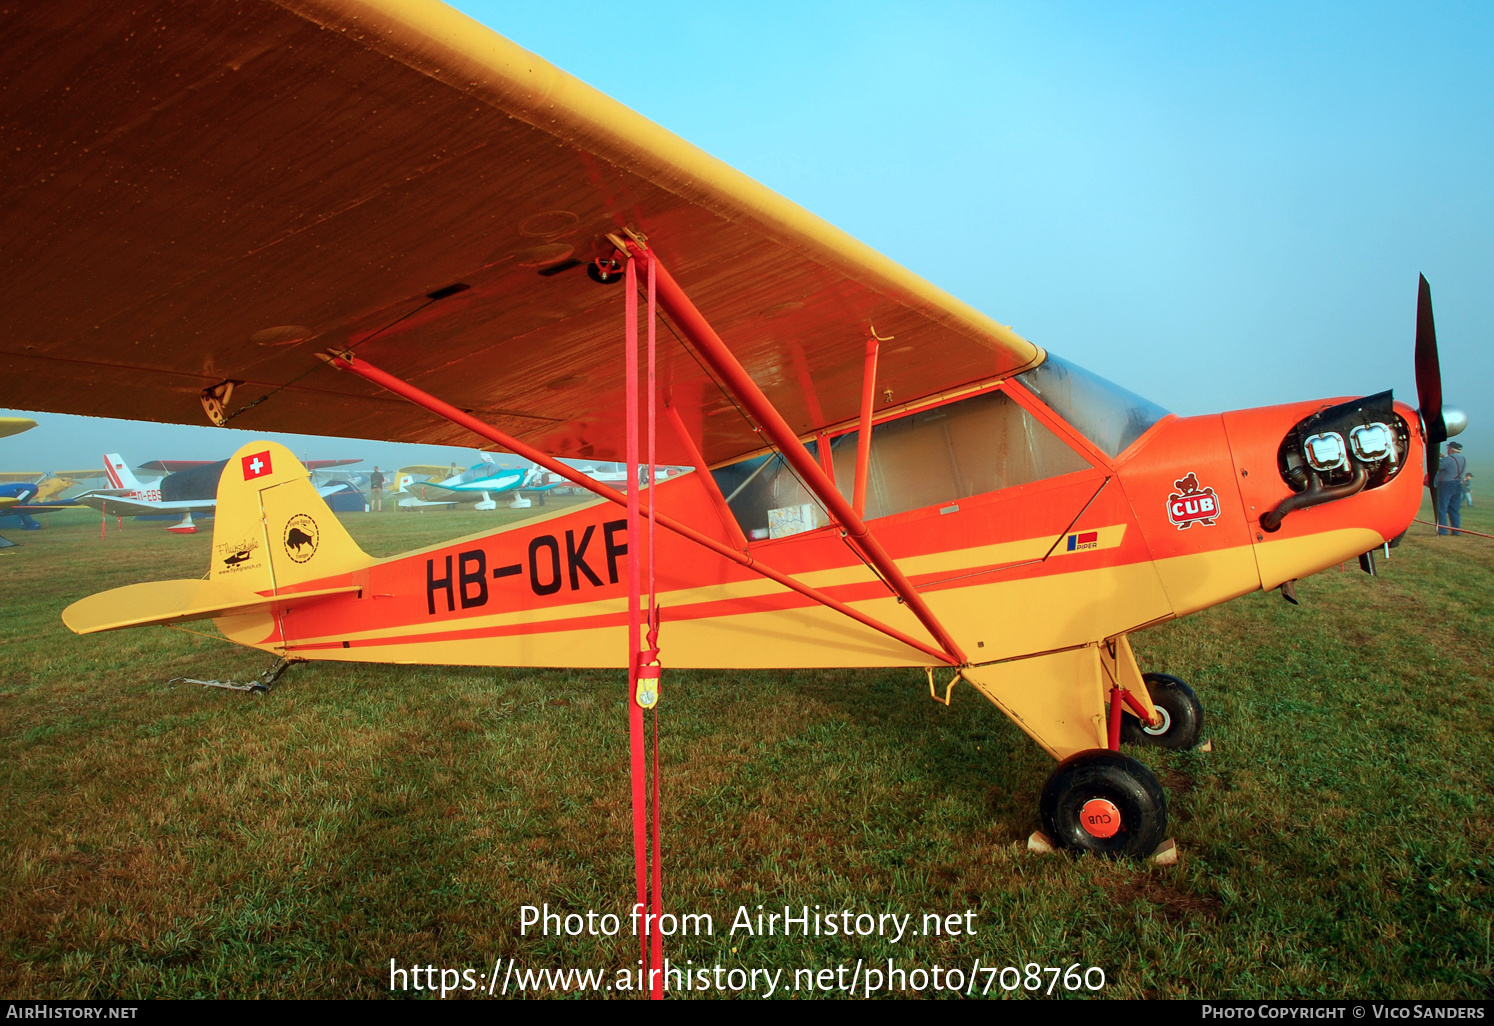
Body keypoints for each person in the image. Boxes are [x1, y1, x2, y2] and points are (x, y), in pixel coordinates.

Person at [1434, 442, 1466, 535]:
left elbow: (1437, 466)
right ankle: (1456, 531)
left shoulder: (1448, 459)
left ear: (1450, 449)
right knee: (1454, 508)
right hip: (1458, 484)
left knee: (1442, 508)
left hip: (1446, 484)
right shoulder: (1463, 459)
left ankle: (1443, 530)